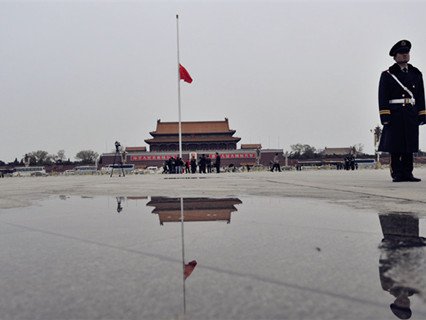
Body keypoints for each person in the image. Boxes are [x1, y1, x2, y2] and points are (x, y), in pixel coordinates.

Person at [378, 40, 426, 182]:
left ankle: (408, 173)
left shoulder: (416, 73)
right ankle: (397, 173)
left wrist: (422, 113)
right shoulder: (387, 75)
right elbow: (383, 96)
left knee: (409, 144)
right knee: (396, 144)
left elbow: (420, 96)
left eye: (407, 53)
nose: (405, 56)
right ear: (395, 56)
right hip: (395, 112)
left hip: (411, 112)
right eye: (401, 53)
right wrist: (385, 115)